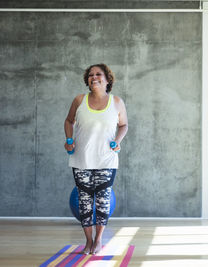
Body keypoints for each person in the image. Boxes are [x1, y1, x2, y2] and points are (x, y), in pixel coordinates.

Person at [64, 63, 128, 255]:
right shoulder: (79, 100)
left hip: (106, 160)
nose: (94, 77)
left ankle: (99, 239)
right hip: (81, 159)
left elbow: (124, 125)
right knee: (84, 201)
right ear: (87, 80)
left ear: (107, 79)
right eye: (90, 75)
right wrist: (69, 139)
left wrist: (117, 140)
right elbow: (69, 121)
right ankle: (88, 240)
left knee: (102, 201)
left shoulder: (116, 102)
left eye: (98, 74)